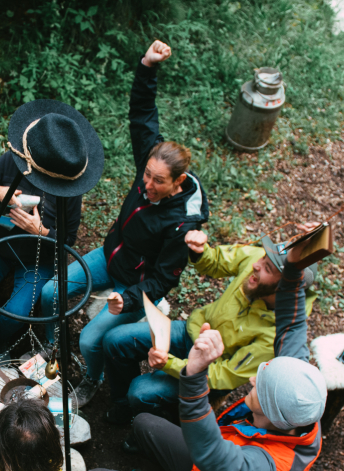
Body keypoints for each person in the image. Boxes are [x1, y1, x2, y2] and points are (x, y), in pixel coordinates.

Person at [77, 231, 326, 471]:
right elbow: (293, 326)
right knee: (145, 423)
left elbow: (210, 451)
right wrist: (295, 267)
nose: (252, 379)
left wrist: (194, 375)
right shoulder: (293, 403)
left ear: (270, 410)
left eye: (259, 384)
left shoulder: (266, 469)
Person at [39, 40, 208, 408]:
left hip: (136, 286)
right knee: (51, 292)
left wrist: (128, 298)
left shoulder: (183, 225)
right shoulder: (153, 161)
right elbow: (142, 114)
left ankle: (93, 378)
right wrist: (148, 65)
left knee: (89, 340)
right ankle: (53, 348)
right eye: (145, 175)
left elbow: (164, 279)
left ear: (178, 183)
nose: (146, 185)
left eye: (157, 182)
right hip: (109, 255)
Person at [102, 226, 318, 429]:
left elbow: (224, 375)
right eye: (263, 256)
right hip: (192, 333)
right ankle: (124, 406)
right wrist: (199, 251)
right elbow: (214, 262)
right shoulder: (257, 262)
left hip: (210, 371)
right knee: (115, 341)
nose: (256, 264)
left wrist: (170, 364)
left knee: (140, 393)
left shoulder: (277, 336)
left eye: (268, 268)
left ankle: (151, 431)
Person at [0, 152, 83, 370]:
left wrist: (42, 231)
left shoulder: (69, 186)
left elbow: (69, 239)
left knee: (17, 313)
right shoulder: (14, 161)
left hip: (39, 258)